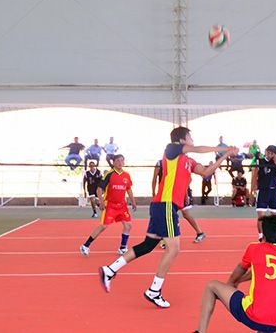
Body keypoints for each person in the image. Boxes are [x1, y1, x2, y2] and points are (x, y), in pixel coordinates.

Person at [99, 127, 237, 308]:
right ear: (182, 140)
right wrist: (222, 148)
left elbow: (206, 172)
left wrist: (224, 156)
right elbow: (198, 148)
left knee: (148, 245)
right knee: (174, 248)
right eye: (190, 136)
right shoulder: (171, 149)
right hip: (165, 205)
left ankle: (110, 270)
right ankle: (154, 291)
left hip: (163, 206)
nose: (192, 139)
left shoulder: (188, 160)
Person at [193, 215, 276, 333]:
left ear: (264, 235)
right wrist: (241, 280)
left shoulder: (255, 248)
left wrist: (232, 283)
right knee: (268, 311)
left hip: (255, 317)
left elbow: (240, 268)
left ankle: (200, 332)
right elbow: (260, 271)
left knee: (211, 286)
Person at [79, 154, 137, 256]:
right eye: (117, 161)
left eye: (122, 161)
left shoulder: (126, 175)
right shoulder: (109, 175)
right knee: (103, 226)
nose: (120, 163)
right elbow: (99, 189)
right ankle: (85, 245)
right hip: (110, 204)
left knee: (128, 225)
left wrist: (133, 202)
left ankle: (123, 248)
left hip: (122, 205)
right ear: (113, 162)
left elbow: (128, 189)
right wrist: (101, 202)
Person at [152, 159, 207, 242]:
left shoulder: (180, 163)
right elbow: (154, 179)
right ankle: (164, 237)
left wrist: (185, 194)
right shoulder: (160, 163)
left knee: (185, 213)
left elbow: (188, 179)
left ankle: (199, 232)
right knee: (166, 214)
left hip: (179, 192)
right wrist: (153, 193)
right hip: (167, 193)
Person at [251, 145, 276, 241]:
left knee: (275, 217)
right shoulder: (259, 161)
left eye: (272, 153)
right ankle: (261, 236)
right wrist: (251, 192)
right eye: (268, 152)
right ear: (265, 151)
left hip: (273, 191)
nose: (269, 154)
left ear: (275, 154)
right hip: (262, 191)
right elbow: (254, 177)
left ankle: (274, 236)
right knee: (261, 216)